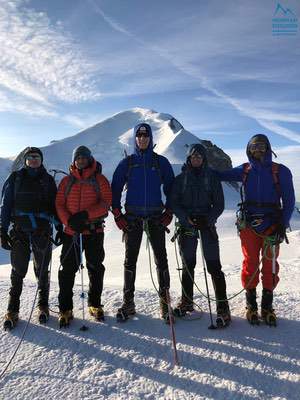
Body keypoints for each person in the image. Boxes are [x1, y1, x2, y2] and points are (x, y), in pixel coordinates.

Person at [217, 134, 295, 325]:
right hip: (250, 225)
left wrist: (282, 226)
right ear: (248, 149)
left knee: (269, 265)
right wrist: (199, 167)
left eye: (261, 146)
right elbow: (220, 175)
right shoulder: (245, 170)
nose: (257, 150)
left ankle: (266, 306)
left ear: (268, 148)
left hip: (272, 226)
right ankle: (251, 305)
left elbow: (290, 201)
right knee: (251, 263)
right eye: (254, 147)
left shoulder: (280, 171)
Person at [111, 123, 175, 322]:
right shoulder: (128, 163)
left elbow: (171, 188)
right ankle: (128, 302)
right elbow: (115, 188)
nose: (142, 139)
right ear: (134, 138)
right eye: (139, 136)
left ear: (151, 138)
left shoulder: (160, 162)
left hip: (156, 217)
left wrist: (169, 211)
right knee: (130, 261)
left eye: (145, 135)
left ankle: (165, 304)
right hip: (133, 218)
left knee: (161, 260)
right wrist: (117, 214)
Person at [0, 147, 61, 330]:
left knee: (42, 270)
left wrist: (59, 226)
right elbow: (5, 205)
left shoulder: (48, 180)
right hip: (20, 231)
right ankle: (13, 309)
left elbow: (55, 205)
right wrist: (2, 230)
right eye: (30, 157)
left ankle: (43, 306)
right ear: (25, 160)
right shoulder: (15, 178)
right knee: (18, 271)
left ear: (41, 160)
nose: (34, 160)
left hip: (42, 231)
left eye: (37, 157)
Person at [170, 143, 231, 327]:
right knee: (188, 264)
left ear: (203, 159)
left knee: (213, 265)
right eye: (193, 156)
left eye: (199, 156)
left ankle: (222, 306)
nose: (196, 159)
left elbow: (219, 204)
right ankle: (186, 301)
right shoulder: (181, 179)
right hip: (188, 225)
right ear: (189, 158)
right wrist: (185, 218)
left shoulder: (211, 178)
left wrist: (209, 219)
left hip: (206, 224)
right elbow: (174, 203)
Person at [55, 146, 112, 327]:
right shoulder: (66, 181)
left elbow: (106, 203)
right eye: (78, 158)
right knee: (67, 270)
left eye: (84, 158)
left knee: (95, 268)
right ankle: (65, 308)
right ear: (74, 161)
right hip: (72, 232)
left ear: (89, 159)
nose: (81, 161)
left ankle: (94, 304)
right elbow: (59, 204)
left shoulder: (99, 179)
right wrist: (69, 221)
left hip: (94, 231)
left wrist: (85, 215)